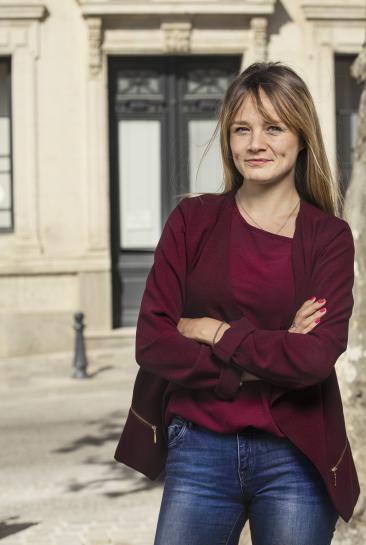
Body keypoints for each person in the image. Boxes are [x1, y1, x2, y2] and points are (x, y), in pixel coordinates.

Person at [114, 62, 360, 545]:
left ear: (302, 135)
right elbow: (153, 343)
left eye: (273, 128)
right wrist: (272, 350)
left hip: (295, 452)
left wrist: (211, 330)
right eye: (241, 129)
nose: (255, 144)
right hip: (199, 446)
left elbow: (312, 359)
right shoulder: (192, 220)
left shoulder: (329, 237)